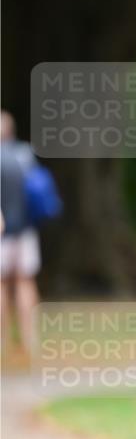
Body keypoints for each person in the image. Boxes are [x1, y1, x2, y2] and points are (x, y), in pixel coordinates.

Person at [1, 110, 41, 354]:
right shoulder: (26, 154)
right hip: (26, 229)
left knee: (2, 284)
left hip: (3, 232)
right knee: (26, 282)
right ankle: (30, 339)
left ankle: (3, 341)